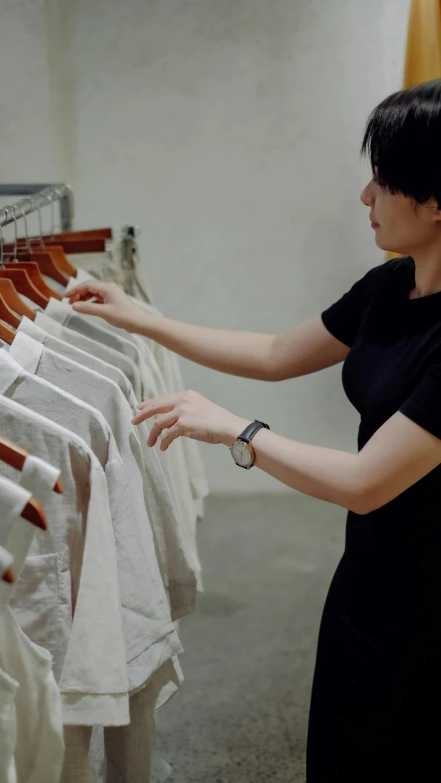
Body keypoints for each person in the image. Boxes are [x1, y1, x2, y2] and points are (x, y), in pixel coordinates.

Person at [66, 79, 441, 781]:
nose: (365, 197)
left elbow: (367, 483)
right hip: (369, 577)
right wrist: (136, 316)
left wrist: (237, 430)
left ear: (436, 199)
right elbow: (273, 354)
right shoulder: (390, 288)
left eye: (383, 179)